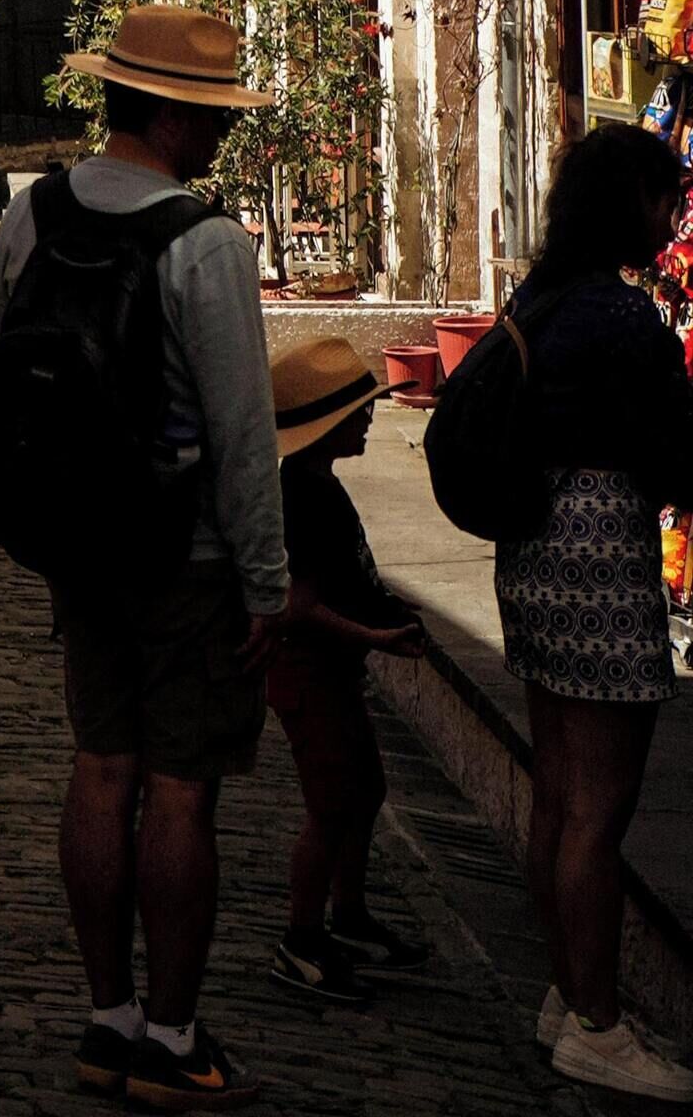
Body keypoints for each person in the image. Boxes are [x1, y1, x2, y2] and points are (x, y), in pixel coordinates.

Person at [0, 3, 288, 1113]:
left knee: (101, 768)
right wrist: (267, 580)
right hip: (185, 558)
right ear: (170, 116)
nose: (222, 133)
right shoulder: (205, 244)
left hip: (78, 547)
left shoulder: (30, 216)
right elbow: (244, 434)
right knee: (182, 791)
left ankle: (108, 1021)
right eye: (213, 115)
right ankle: (172, 1037)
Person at [493, 120, 693, 1099]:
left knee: (559, 794)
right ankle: (599, 1026)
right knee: (600, 812)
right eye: (666, 203)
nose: (672, 223)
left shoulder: (538, 297)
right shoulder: (623, 319)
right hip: (603, 558)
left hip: (533, 553)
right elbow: (676, 453)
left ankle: (568, 993)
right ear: (630, 206)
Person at [259, 336, 424, 1003]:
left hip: (331, 669)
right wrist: (376, 636)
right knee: (330, 807)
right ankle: (301, 940)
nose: (370, 419)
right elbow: (298, 609)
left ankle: (348, 918)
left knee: (364, 789)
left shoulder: (315, 486)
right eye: (359, 411)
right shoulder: (304, 496)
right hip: (310, 671)